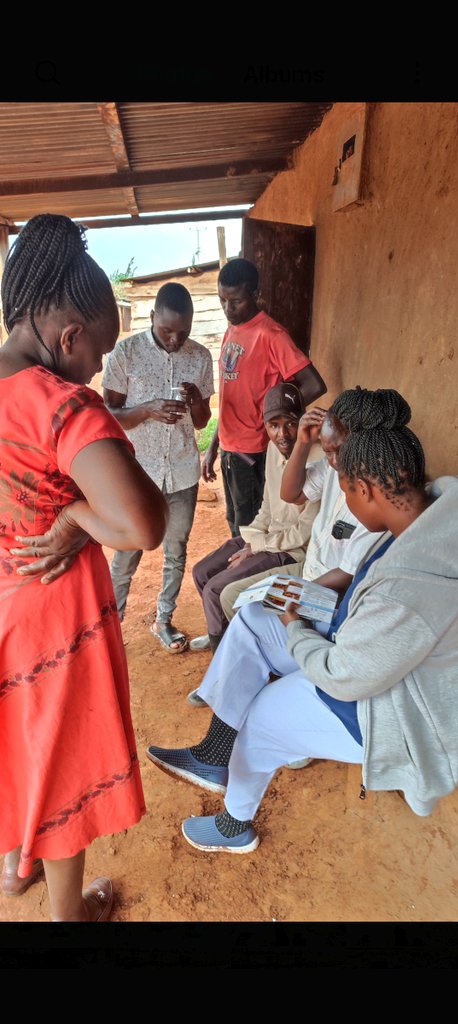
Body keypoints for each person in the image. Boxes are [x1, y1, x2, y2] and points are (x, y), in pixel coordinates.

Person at [146, 387, 458, 854]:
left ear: (365, 489)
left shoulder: (409, 586)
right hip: (367, 649)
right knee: (254, 620)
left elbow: (345, 674)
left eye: (346, 488)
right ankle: (214, 754)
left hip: (390, 710)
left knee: (263, 714)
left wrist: (296, 627)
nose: (341, 495)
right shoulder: (426, 514)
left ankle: (234, 825)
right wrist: (298, 611)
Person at [0, 213, 168, 919]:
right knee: (62, 759)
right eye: (97, 351)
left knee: (17, 742)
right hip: (54, 614)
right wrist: (73, 515)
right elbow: (142, 525)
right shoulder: (62, 404)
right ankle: (68, 916)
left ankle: (14, 868)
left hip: (5, 598)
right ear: (70, 337)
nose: (98, 368)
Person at [187, 395, 384, 706]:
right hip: (309, 571)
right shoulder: (331, 469)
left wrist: (295, 591)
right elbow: (288, 495)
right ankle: (237, 673)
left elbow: (346, 572)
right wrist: (303, 443)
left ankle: (257, 677)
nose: (332, 460)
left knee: (239, 602)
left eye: (337, 451)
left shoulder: (372, 497)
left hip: (322, 585)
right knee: (234, 595)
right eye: (328, 451)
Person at [102, 282, 214, 653]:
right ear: (152, 317)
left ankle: (163, 620)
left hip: (182, 471)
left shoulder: (200, 357)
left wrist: (196, 400)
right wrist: (147, 410)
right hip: (138, 473)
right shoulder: (127, 353)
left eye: (184, 331)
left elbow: (202, 422)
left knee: (176, 551)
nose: (175, 339)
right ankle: (110, 627)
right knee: (127, 551)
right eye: (167, 331)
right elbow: (109, 415)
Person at [189, 382, 320, 655]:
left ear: (302, 420)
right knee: (201, 572)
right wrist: (252, 541)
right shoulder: (273, 449)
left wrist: (257, 546)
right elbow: (267, 507)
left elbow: (303, 533)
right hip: (268, 538)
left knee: (217, 590)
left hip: (292, 551)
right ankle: (222, 631)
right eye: (274, 425)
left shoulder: (318, 460)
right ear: (265, 426)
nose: (282, 434)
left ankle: (225, 657)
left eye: (291, 423)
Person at [201, 258, 327, 537]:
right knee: (235, 523)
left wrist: (270, 420)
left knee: (250, 532)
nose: (228, 309)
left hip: (253, 452)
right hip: (230, 449)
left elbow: (314, 384)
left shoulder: (272, 335)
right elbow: (232, 393)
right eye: (222, 300)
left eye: (236, 301)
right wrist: (214, 445)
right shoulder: (232, 330)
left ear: (255, 294)